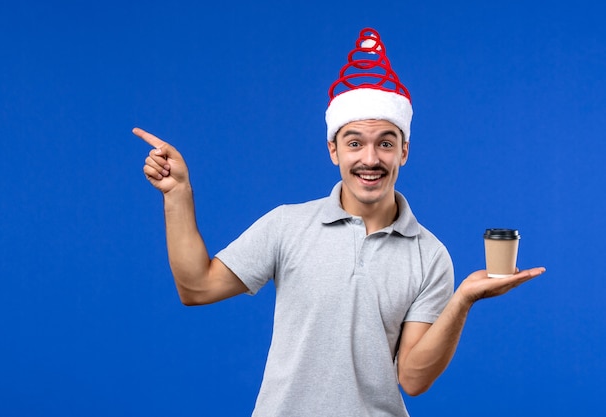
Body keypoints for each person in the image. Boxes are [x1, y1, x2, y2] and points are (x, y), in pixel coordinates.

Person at [133, 28, 545, 417]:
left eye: (386, 142)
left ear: (404, 152)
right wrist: (177, 196)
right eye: (355, 143)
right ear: (333, 150)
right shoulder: (286, 225)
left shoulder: (430, 255)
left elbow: (413, 379)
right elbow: (197, 287)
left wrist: (463, 300)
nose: (370, 159)